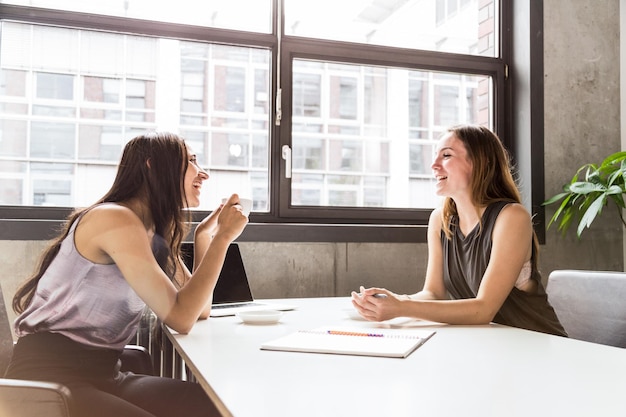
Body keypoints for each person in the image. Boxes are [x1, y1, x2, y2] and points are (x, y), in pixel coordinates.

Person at [5, 131, 248, 417]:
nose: (203, 173)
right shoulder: (114, 218)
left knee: (215, 406)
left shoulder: (151, 232)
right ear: (152, 166)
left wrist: (207, 238)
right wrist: (223, 241)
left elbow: (198, 312)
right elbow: (181, 318)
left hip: (106, 374)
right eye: (192, 161)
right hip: (49, 377)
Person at [351, 125, 567, 336]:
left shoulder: (511, 217)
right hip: (491, 346)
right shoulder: (440, 220)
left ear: (481, 162)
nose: (434, 165)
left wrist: (401, 308)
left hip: (538, 347)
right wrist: (391, 302)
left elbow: (483, 310)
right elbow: (434, 294)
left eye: (446, 155)